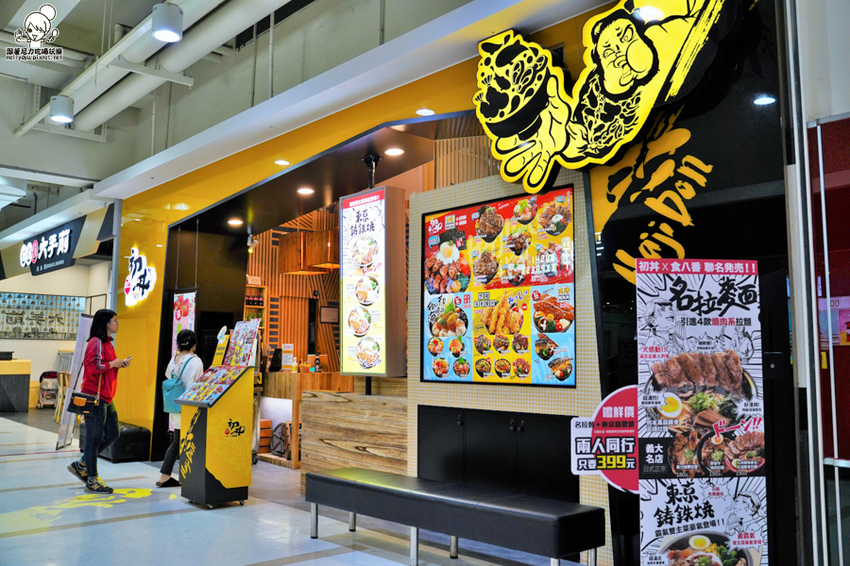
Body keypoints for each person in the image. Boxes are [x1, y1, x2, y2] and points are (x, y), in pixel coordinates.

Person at [67, 309, 131, 494]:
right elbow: (93, 366)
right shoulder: (95, 342)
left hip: (106, 396)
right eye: (115, 320)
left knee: (113, 433)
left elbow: (107, 365)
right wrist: (113, 364)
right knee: (94, 438)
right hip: (95, 396)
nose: (117, 323)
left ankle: (82, 464)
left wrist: (119, 363)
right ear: (106, 323)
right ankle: (92, 480)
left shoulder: (107, 343)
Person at [157, 329, 204, 488]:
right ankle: (186, 477)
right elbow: (198, 384)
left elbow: (168, 376)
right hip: (190, 405)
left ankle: (165, 475)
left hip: (174, 405)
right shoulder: (196, 361)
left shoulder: (174, 360)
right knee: (192, 442)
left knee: (177, 441)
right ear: (194, 345)